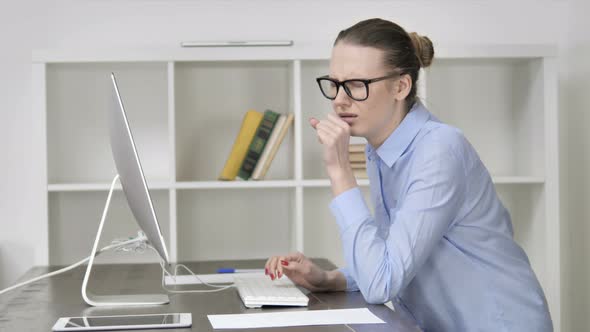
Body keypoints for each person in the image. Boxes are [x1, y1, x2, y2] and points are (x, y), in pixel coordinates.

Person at [265, 18, 552, 331]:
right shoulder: (380, 150)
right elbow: (392, 260)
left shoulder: (439, 150)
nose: (339, 99)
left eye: (356, 85)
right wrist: (327, 279)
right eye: (334, 84)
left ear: (401, 86)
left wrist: (340, 169)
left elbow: (381, 283)